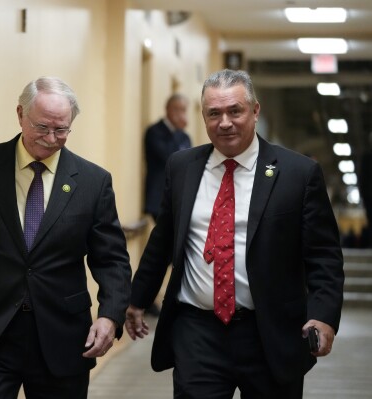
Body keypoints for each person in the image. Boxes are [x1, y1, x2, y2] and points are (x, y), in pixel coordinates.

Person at [125, 69, 344, 398]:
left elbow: (323, 255)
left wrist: (323, 316)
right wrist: (137, 300)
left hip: (270, 331)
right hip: (198, 330)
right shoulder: (182, 167)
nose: (224, 122)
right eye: (214, 113)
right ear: (203, 117)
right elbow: (164, 241)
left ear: (255, 111)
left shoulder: (298, 174)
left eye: (235, 111)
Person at [0, 76, 132, 399]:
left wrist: (110, 315)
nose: (51, 138)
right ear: (20, 114)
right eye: (42, 127)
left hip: (63, 337)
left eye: (62, 130)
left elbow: (112, 259)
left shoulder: (93, 182)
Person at [144, 93, 192, 221]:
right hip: (159, 198)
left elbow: (188, 163)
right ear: (167, 109)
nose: (180, 114)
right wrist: (177, 131)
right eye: (177, 109)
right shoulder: (154, 131)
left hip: (179, 197)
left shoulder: (184, 136)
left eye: (183, 110)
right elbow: (170, 158)